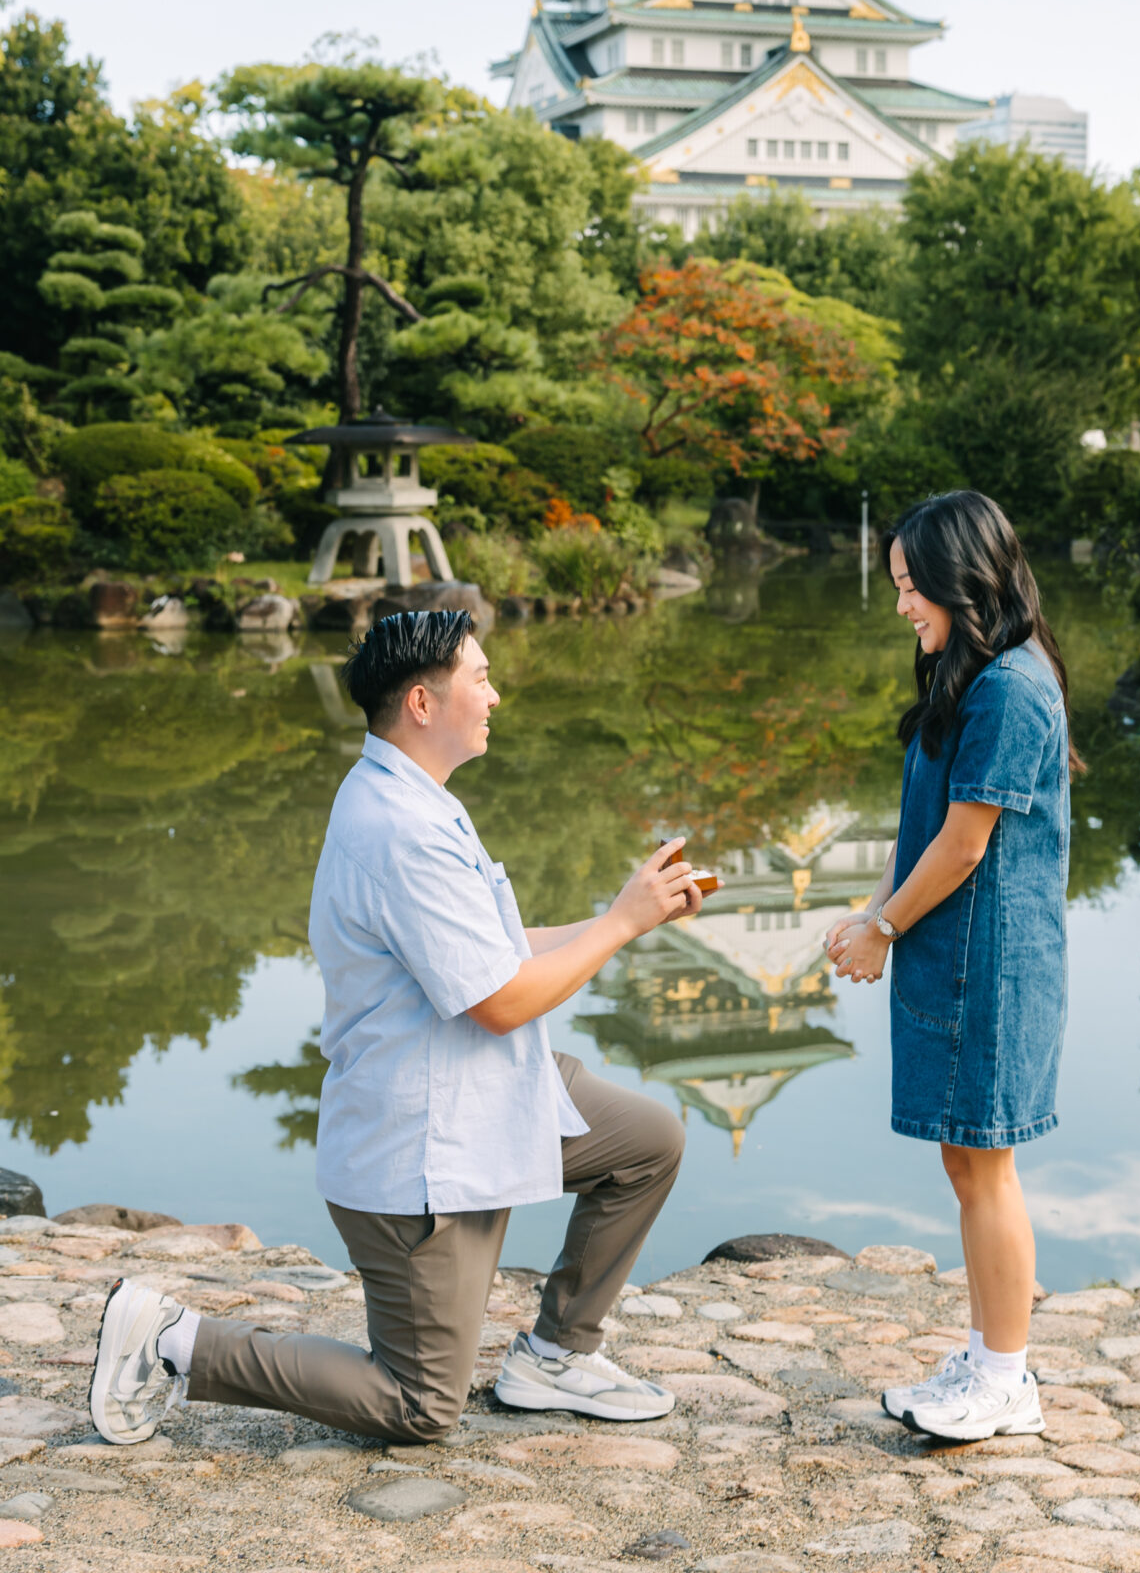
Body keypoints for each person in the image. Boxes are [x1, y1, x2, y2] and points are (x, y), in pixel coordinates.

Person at [90, 608, 710, 1447]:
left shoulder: (411, 796)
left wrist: (623, 914)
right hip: (423, 1149)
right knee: (418, 1407)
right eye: (481, 678)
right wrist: (620, 927)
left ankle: (557, 1354)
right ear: (423, 702)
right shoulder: (399, 829)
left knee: (645, 1141)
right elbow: (500, 1001)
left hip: (490, 1093)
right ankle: (172, 1338)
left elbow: (494, 952)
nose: (496, 693)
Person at [825, 491, 1076, 1442]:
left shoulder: (1011, 687)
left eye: (909, 587)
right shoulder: (967, 673)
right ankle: (987, 1353)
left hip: (993, 965)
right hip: (954, 952)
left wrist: (882, 929)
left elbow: (966, 846)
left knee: (985, 1165)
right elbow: (924, 827)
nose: (900, 606)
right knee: (964, 1157)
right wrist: (873, 911)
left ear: (959, 579)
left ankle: (1005, 1379)